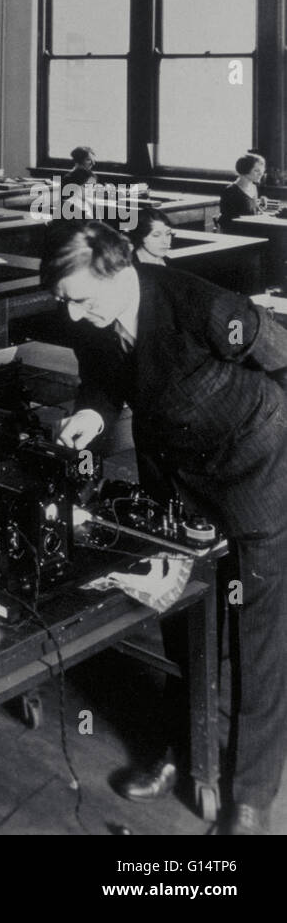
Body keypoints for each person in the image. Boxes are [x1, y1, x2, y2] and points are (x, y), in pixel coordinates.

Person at [44, 222, 287, 836]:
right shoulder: (93, 320)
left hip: (253, 468)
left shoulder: (201, 304)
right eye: (65, 300)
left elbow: (281, 352)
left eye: (82, 298)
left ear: (119, 269)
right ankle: (182, 749)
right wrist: (93, 417)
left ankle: (252, 795)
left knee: (259, 636)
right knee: (184, 618)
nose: (73, 314)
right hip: (177, 479)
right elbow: (102, 380)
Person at [219, 153, 266, 228]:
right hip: (237, 232)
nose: (261, 174)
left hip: (252, 229)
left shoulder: (253, 188)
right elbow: (226, 221)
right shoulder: (230, 191)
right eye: (256, 170)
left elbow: (251, 212)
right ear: (245, 170)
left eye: (262, 171)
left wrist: (260, 208)